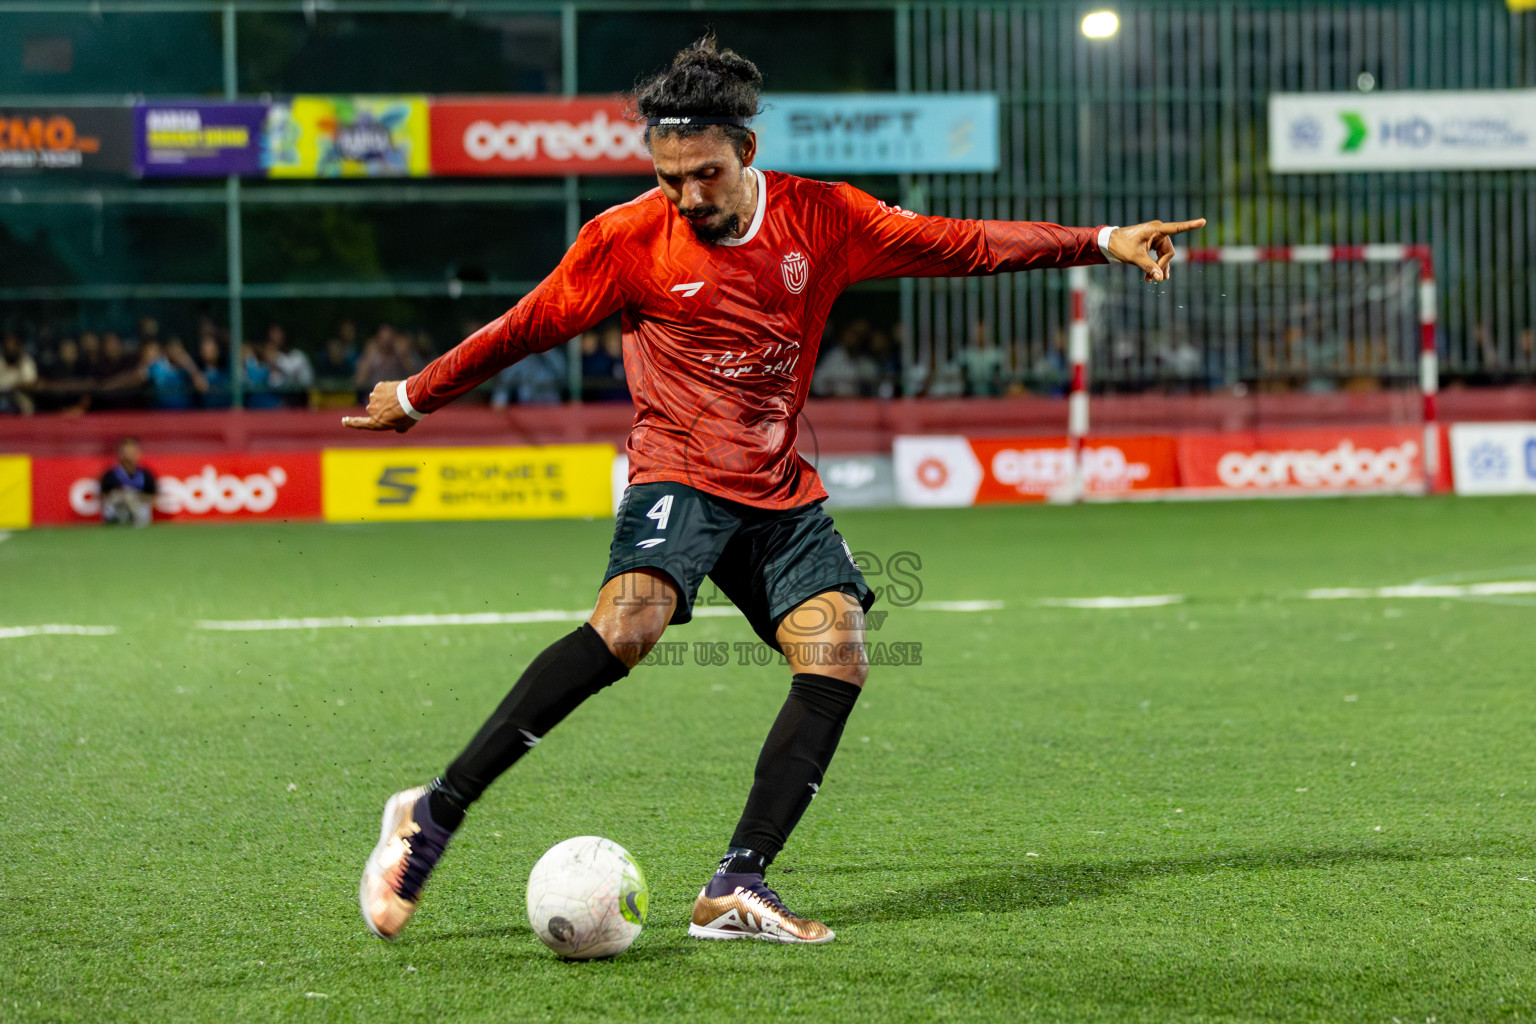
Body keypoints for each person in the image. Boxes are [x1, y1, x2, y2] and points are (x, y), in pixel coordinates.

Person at [344, 33, 1203, 946]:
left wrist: (1103, 241)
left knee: (837, 652)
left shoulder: (824, 217)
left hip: (777, 486)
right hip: (679, 466)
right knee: (629, 624)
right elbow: (525, 327)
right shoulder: (625, 240)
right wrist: (414, 394)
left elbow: (960, 245)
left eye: (705, 174)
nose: (687, 196)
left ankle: (736, 884)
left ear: (746, 153)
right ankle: (431, 814)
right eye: (670, 178)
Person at [100, 437, 157, 528]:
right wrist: (121, 495)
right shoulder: (111, 474)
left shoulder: (145, 474)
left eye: (131, 453)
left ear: (138, 453)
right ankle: (116, 520)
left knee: (131, 497)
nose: (128, 457)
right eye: (125, 453)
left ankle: (136, 519)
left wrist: (134, 496)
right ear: (119, 454)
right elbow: (103, 497)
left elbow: (153, 498)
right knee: (120, 497)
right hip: (119, 508)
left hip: (138, 508)